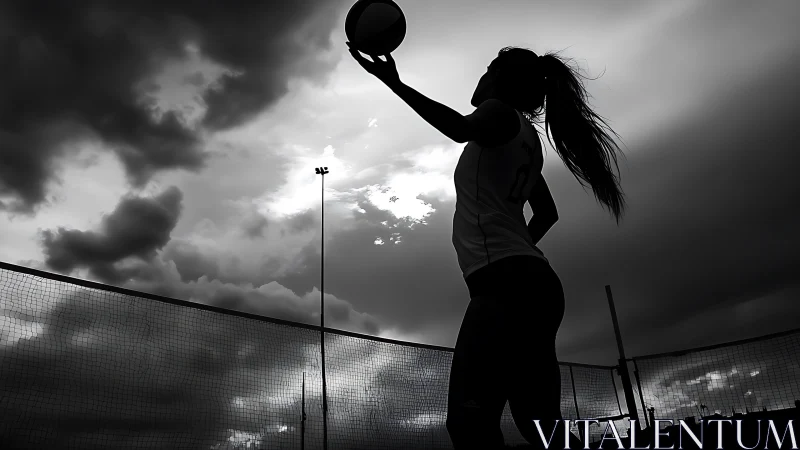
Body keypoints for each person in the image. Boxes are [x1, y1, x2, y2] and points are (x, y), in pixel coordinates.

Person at [348, 43, 626, 449]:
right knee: (540, 426)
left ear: (499, 78)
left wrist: (395, 83)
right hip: (535, 284)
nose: (481, 75)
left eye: (489, 67)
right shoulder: (525, 139)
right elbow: (546, 212)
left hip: (506, 286)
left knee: (469, 424)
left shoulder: (498, 113)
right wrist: (516, 252)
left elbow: (458, 128)